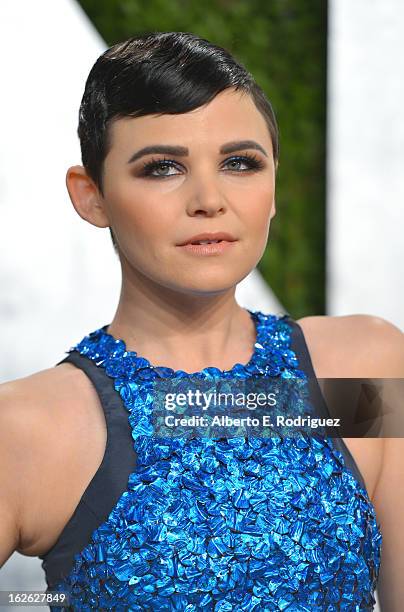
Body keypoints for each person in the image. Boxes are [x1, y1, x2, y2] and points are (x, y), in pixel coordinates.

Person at [0, 31, 403, 611]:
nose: (209, 199)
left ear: (272, 187)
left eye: (240, 163)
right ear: (92, 197)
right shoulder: (29, 428)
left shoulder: (364, 369)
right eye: (163, 168)